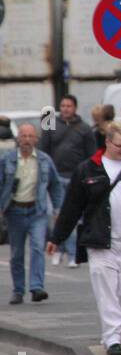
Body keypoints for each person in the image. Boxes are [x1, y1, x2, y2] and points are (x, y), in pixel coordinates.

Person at [48, 121, 121, 355]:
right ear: (108, 142)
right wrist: (57, 237)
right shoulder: (88, 170)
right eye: (119, 145)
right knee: (106, 289)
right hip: (99, 240)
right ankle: (112, 338)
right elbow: (72, 206)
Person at [0, 123, 64, 304]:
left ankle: (37, 287)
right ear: (18, 138)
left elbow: (55, 185)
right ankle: (18, 290)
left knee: (37, 247)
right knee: (17, 253)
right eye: (23, 136)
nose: (27, 140)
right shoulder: (7, 160)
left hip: (37, 211)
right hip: (14, 211)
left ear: (36, 139)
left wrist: (58, 210)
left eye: (30, 136)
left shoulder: (44, 160)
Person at [39, 94, 97, 267]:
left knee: (72, 216)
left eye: (69, 106)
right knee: (55, 215)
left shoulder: (85, 128)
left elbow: (91, 155)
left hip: (75, 178)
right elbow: (44, 149)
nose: (65, 109)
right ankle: (60, 249)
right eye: (62, 106)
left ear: (75, 108)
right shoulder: (50, 123)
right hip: (55, 178)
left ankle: (71, 254)